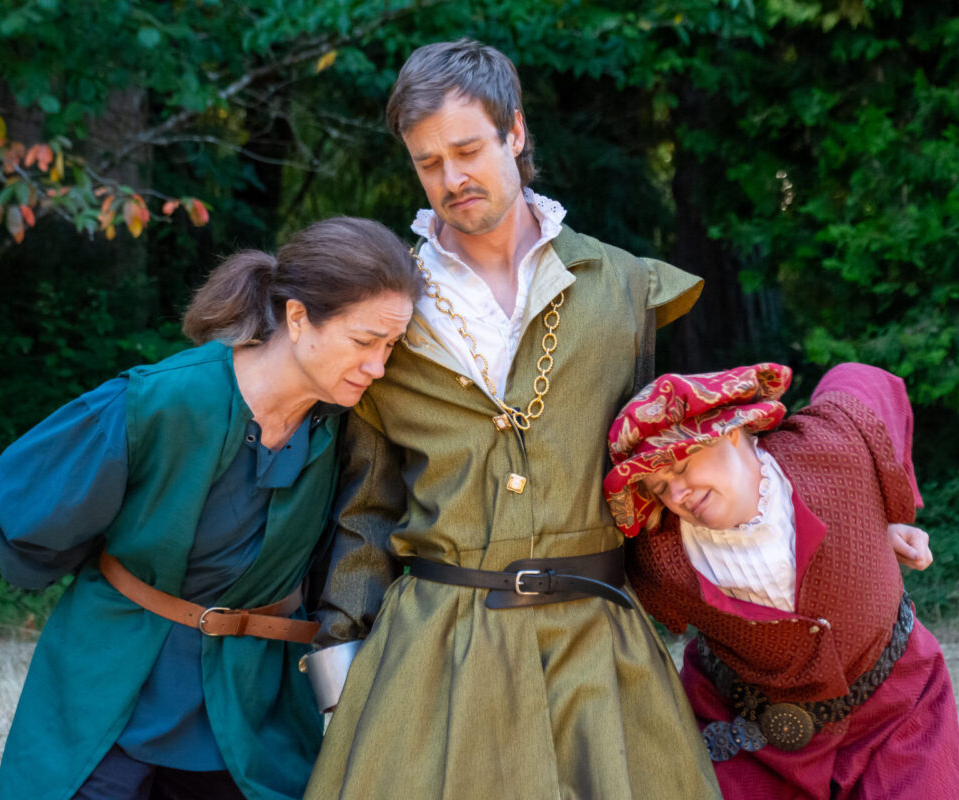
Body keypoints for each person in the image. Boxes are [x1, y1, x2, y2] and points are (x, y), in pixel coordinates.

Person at [302, 39, 721, 798]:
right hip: (434, 653)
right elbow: (368, 508)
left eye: (467, 150)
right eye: (427, 163)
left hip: (598, 646)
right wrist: (340, 671)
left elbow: (672, 468)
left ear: (515, 133)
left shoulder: (625, 287)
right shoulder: (388, 309)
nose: (451, 179)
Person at [0, 217, 421, 800]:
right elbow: (32, 506)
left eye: (390, 346)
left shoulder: (348, 427)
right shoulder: (164, 399)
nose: (378, 367)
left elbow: (360, 539)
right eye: (364, 341)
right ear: (298, 318)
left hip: (249, 702)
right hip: (117, 676)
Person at [604, 362, 959, 799]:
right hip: (753, 737)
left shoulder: (832, 446)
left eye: (680, 468)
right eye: (659, 487)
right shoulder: (659, 555)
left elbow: (862, 378)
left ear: (733, 430)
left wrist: (888, 506)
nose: (677, 494)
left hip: (895, 709)